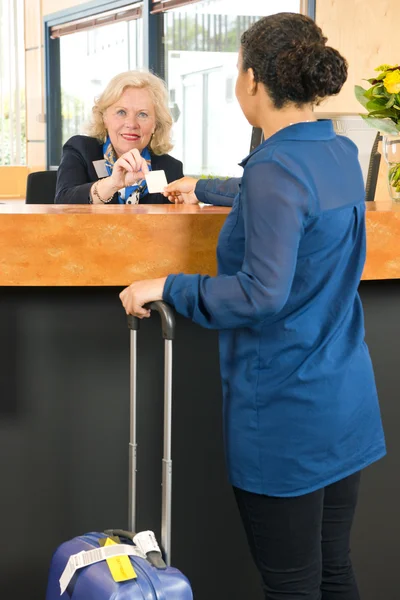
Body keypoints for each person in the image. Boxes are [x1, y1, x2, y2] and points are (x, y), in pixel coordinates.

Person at [119, 13, 386, 600]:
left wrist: (168, 286)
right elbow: (289, 199)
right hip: (344, 401)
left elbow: (260, 293)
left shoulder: (274, 168)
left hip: (288, 412)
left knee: (291, 587)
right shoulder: (339, 151)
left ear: (252, 80)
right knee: (334, 571)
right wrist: (211, 187)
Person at [55, 71, 183, 205]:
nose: (132, 124)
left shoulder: (170, 168)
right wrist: (112, 184)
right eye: (121, 112)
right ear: (104, 118)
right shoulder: (81, 150)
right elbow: (63, 202)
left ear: (155, 125)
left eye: (143, 114)